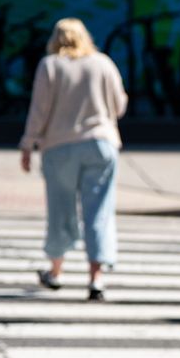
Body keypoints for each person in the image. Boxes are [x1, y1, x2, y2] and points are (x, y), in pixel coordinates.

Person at [19, 17, 128, 302]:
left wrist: (28, 144)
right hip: (100, 144)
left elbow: (39, 110)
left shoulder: (50, 65)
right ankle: (96, 279)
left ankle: (56, 271)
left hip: (59, 147)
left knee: (60, 209)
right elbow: (119, 106)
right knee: (99, 211)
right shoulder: (103, 63)